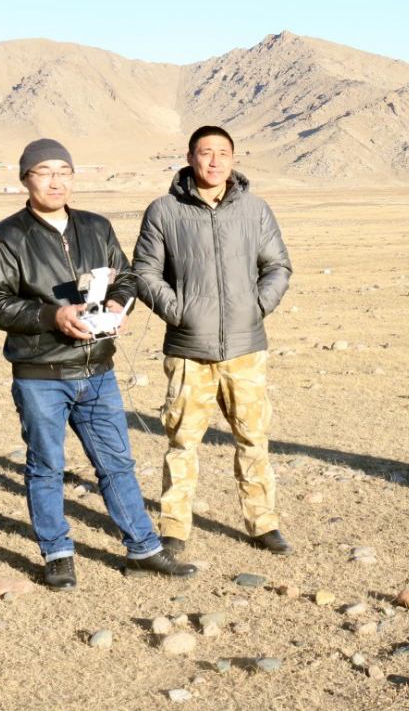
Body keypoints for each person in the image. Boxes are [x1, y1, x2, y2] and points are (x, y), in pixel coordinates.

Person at [0, 138, 197, 590]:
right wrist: (50, 315)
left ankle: (143, 549)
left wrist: (118, 305)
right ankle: (57, 553)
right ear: (26, 180)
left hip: (98, 371)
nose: (55, 180)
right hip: (41, 374)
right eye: (44, 172)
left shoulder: (96, 227)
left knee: (117, 464)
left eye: (63, 171)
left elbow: (128, 274)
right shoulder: (7, 236)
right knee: (46, 466)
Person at [133, 126, 293, 556]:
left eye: (223, 153)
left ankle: (263, 524)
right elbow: (145, 272)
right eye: (206, 153)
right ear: (189, 157)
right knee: (182, 442)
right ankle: (174, 528)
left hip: (245, 348)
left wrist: (256, 307)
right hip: (188, 349)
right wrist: (178, 311)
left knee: (253, 438)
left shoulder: (255, 210)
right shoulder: (163, 211)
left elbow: (277, 266)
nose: (214, 161)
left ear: (234, 159)